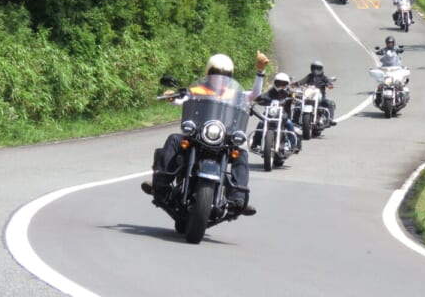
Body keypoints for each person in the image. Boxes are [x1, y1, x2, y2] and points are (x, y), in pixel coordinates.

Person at [141, 51, 270, 216]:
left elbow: (254, 95)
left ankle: (238, 198)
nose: (219, 77)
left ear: (229, 76)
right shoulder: (197, 90)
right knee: (174, 139)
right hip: (197, 136)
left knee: (241, 155)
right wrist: (172, 96)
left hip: (223, 138)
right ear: (209, 73)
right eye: (216, 73)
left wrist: (260, 72)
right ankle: (160, 183)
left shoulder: (235, 94)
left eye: (224, 74)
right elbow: (181, 98)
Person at [250, 72, 299, 153]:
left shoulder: (288, 93)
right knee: (261, 123)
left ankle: (293, 145)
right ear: (275, 82)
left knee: (289, 124)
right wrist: (255, 100)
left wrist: (296, 98)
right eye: (278, 83)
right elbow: (262, 96)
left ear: (287, 84)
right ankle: (256, 143)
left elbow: (296, 96)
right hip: (269, 115)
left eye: (283, 83)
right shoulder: (271, 92)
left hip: (283, 116)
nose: (280, 85)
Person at [293, 61, 337, 126]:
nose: (316, 70)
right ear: (311, 68)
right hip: (309, 96)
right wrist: (296, 83)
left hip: (320, 97)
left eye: (318, 68)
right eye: (314, 68)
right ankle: (295, 119)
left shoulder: (324, 77)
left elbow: (328, 82)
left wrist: (329, 85)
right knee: (298, 102)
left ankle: (330, 119)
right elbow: (302, 81)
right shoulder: (309, 76)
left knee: (331, 103)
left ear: (321, 69)